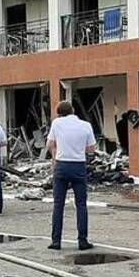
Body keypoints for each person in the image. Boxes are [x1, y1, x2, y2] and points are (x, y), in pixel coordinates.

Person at [47, 101, 96, 250]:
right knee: (81, 204)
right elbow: (91, 149)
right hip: (78, 165)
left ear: (59, 112)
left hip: (61, 165)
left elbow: (50, 144)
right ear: (73, 111)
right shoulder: (86, 125)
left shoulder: (57, 123)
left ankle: (56, 241)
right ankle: (82, 240)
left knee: (58, 204)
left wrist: (55, 156)